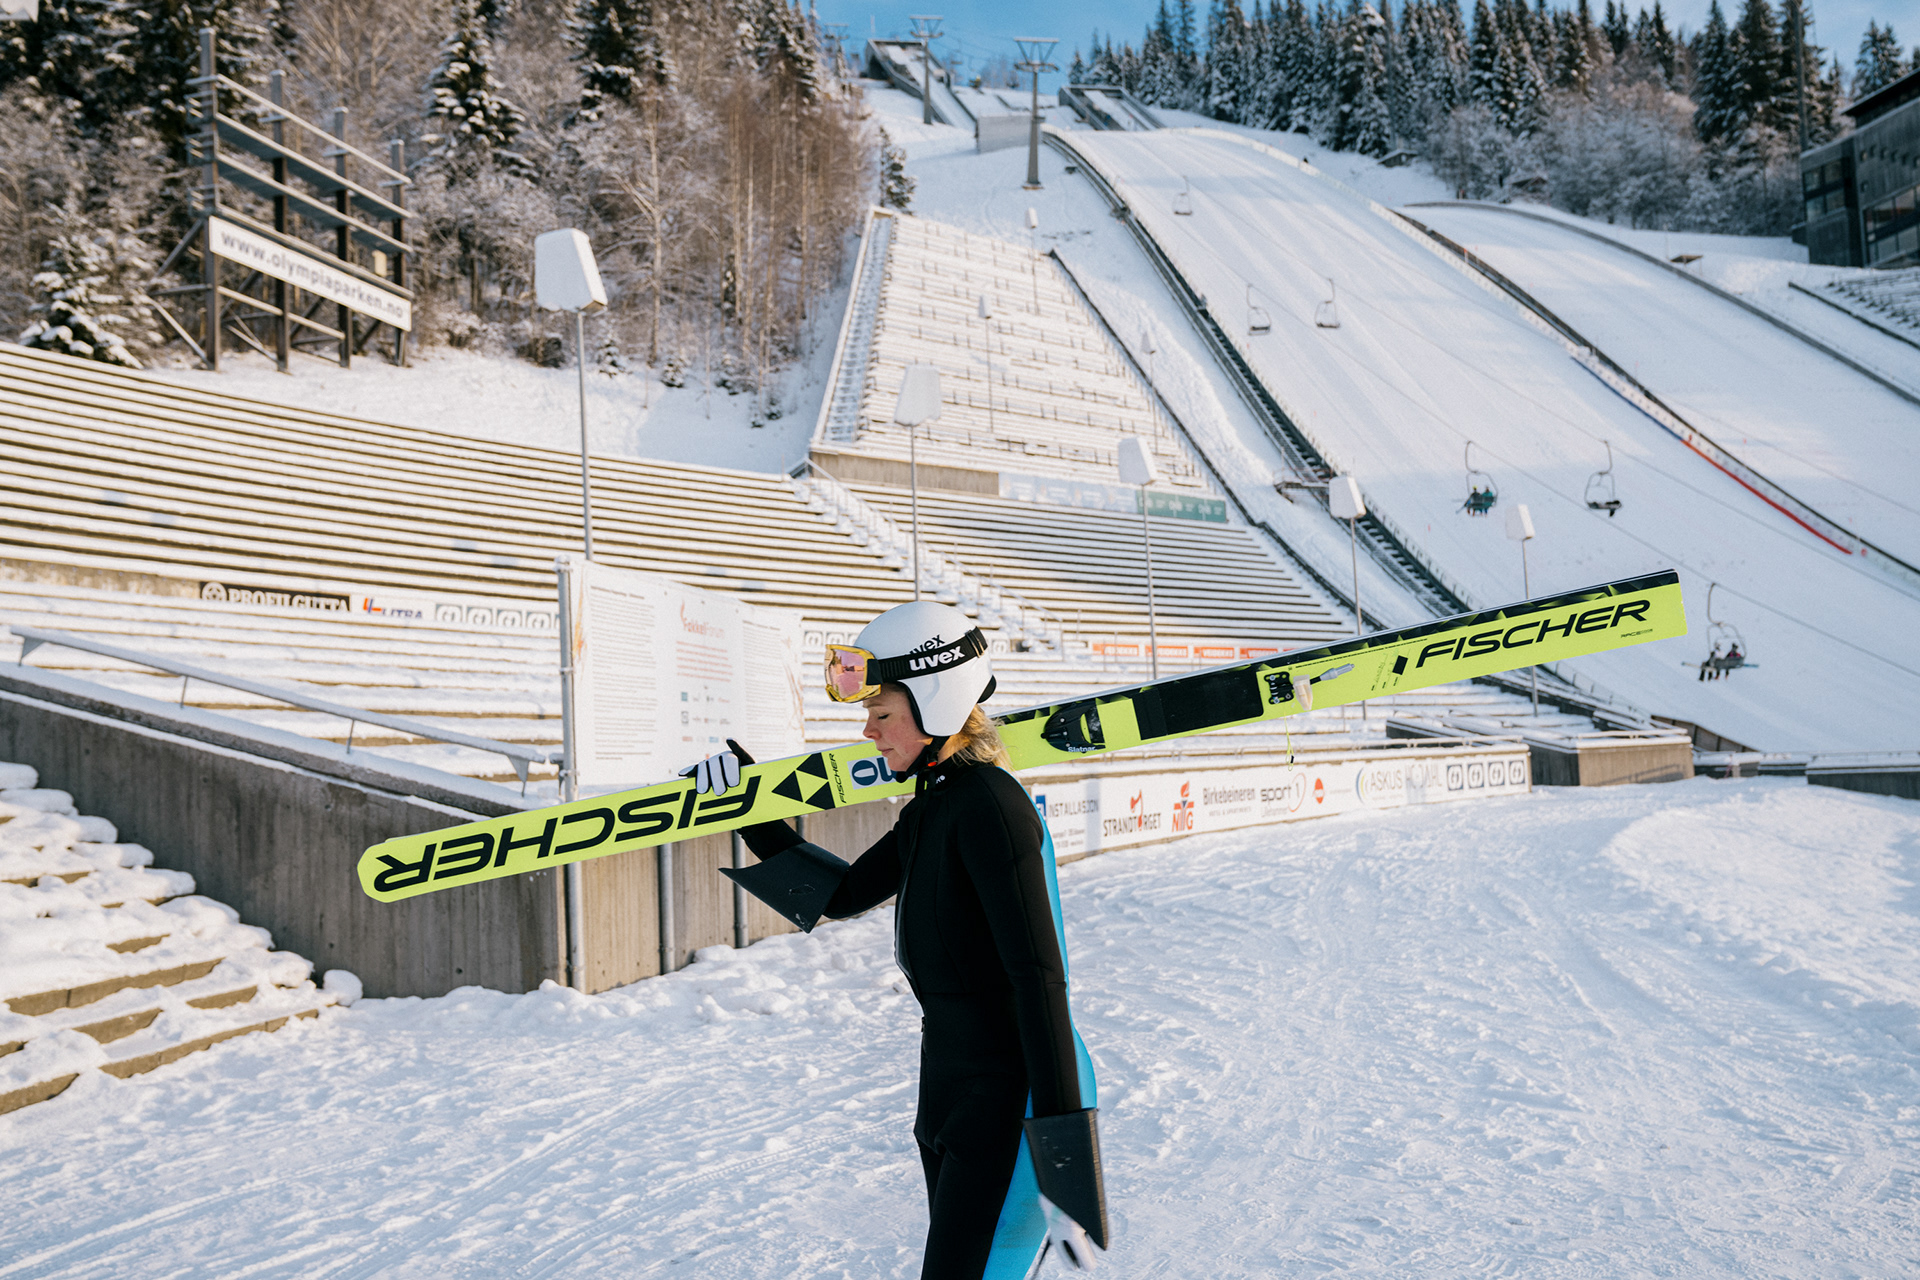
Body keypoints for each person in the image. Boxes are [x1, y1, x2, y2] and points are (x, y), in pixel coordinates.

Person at [683, 601, 1107, 1278]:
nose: (868, 730)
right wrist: (747, 801)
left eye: (881, 714)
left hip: (1016, 1094)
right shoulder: (935, 805)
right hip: (950, 1088)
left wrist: (1066, 1170)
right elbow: (842, 895)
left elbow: (1040, 979)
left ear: (935, 704)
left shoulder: (992, 807)